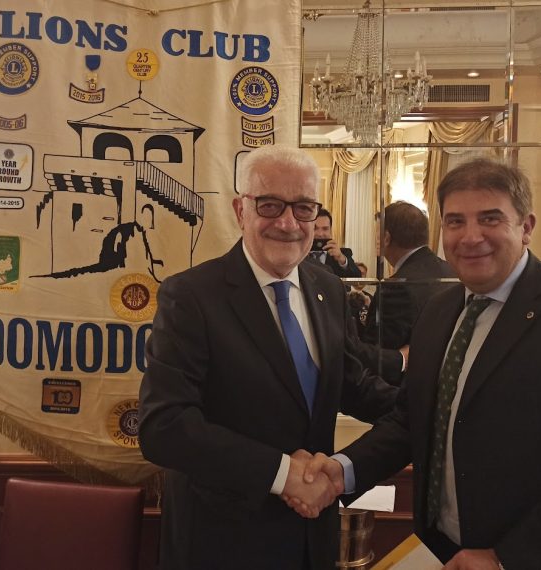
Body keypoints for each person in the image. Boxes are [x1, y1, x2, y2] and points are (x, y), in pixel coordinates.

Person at [138, 145, 398, 570]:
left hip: (312, 540)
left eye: (303, 208)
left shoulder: (328, 290)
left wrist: (433, 407)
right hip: (221, 545)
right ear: (240, 210)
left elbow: (352, 385)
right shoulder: (190, 297)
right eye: (270, 204)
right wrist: (282, 473)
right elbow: (163, 427)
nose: (287, 223)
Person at [295, 158, 541, 569]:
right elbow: (411, 420)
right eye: (455, 222)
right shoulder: (439, 312)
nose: (470, 236)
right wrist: (341, 471)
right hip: (439, 548)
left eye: (489, 218)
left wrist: (507, 558)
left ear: (526, 227)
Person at [362, 201, 455, 350]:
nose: (376, 241)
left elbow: (377, 353)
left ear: (386, 238)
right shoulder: (452, 271)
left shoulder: (394, 288)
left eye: (377, 235)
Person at [310, 208, 361, 278]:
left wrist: (341, 259)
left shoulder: (343, 253)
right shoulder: (299, 254)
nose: (320, 234)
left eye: (325, 229)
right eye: (315, 228)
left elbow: (357, 277)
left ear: (330, 230)